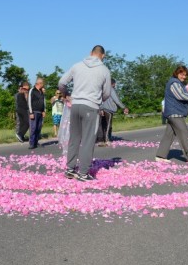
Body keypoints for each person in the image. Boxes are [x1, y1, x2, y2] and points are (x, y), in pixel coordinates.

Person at [58, 45, 111, 181]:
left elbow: (62, 82)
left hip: (75, 105)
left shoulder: (77, 66)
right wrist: (98, 100)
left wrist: (66, 94)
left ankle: (70, 169)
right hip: (91, 107)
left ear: (90, 53)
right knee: (88, 140)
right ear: (102, 56)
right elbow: (107, 93)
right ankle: (83, 173)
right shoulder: (104, 70)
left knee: (74, 138)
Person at [155, 66, 188, 164]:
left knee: (169, 135)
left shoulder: (178, 83)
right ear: (176, 73)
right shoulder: (174, 83)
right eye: (182, 74)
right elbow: (181, 96)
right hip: (175, 112)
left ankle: (160, 156)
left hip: (174, 113)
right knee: (184, 133)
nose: (184, 77)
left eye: (185, 75)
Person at [99, 78, 129, 145]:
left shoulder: (102, 90)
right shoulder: (111, 90)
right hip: (109, 110)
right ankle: (107, 140)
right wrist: (124, 107)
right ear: (112, 83)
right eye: (114, 84)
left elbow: (99, 100)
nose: (115, 85)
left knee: (102, 125)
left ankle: (101, 140)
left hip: (102, 109)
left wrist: (100, 109)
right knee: (108, 125)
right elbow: (117, 100)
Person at [28, 78, 46, 149]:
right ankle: (32, 143)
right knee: (33, 128)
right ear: (39, 83)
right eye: (42, 83)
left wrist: (44, 110)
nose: (43, 85)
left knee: (38, 128)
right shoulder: (32, 90)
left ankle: (36, 141)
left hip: (40, 112)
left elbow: (43, 101)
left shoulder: (42, 91)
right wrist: (31, 112)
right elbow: (29, 101)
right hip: (34, 112)